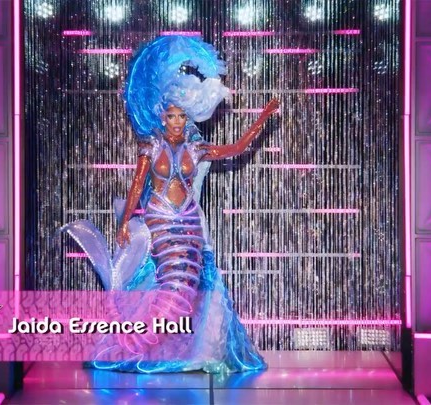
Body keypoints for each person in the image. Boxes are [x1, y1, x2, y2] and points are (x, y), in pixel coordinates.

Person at [63, 35, 278, 373]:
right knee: (171, 281)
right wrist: (124, 221)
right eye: (172, 116)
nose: (177, 121)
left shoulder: (197, 148)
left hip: (188, 219)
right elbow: (137, 184)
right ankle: (132, 342)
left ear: (186, 118)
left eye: (181, 116)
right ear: (163, 117)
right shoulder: (150, 146)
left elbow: (236, 149)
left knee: (187, 284)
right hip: (161, 216)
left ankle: (164, 345)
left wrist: (262, 118)